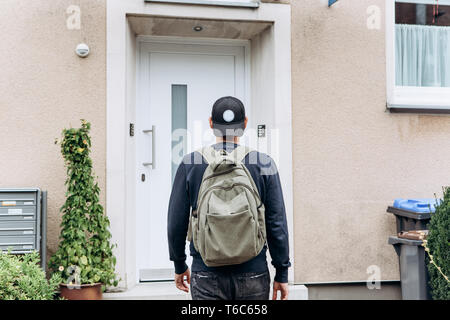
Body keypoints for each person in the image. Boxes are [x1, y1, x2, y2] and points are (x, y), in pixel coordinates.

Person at [167, 96, 290, 300]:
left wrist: (179, 264)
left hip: (206, 272)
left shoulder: (190, 163)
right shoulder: (264, 163)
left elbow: (175, 222)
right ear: (245, 124)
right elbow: (277, 223)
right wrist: (282, 271)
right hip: (254, 271)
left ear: (210, 124)